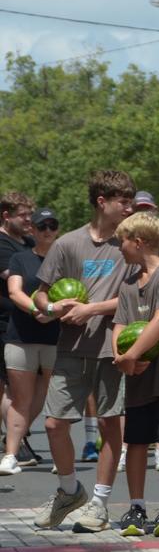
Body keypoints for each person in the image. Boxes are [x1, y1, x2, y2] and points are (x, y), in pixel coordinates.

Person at [32, 170, 136, 532]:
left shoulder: (131, 243)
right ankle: (68, 490)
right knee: (53, 423)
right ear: (101, 201)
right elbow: (42, 292)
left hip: (114, 348)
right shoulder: (68, 243)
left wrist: (90, 309)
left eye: (131, 200)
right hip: (71, 347)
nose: (129, 207)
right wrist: (51, 309)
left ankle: (100, 504)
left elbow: (134, 296)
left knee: (110, 424)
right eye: (122, 201)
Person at [111, 212, 159, 537]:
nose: (120, 248)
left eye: (122, 242)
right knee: (137, 441)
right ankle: (137, 505)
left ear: (139, 242)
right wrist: (121, 356)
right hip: (138, 376)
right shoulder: (129, 284)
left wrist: (130, 355)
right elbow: (119, 323)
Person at [0, 208, 60, 476]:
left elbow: (78, 292)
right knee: (19, 398)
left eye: (52, 225)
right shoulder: (20, 257)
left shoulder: (65, 259)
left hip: (56, 337)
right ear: (33, 230)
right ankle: (11, 454)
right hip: (22, 337)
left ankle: (61, 455)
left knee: (52, 397)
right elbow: (14, 290)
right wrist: (39, 311)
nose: (47, 230)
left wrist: (55, 313)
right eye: (41, 226)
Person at [0, 192, 37, 466]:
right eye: (22, 215)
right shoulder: (2, 245)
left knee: (34, 389)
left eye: (29, 215)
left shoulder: (30, 243)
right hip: (5, 324)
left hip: (32, 326)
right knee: (11, 390)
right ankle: (15, 443)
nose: (29, 220)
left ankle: (15, 437)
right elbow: (20, 280)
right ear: (6, 216)